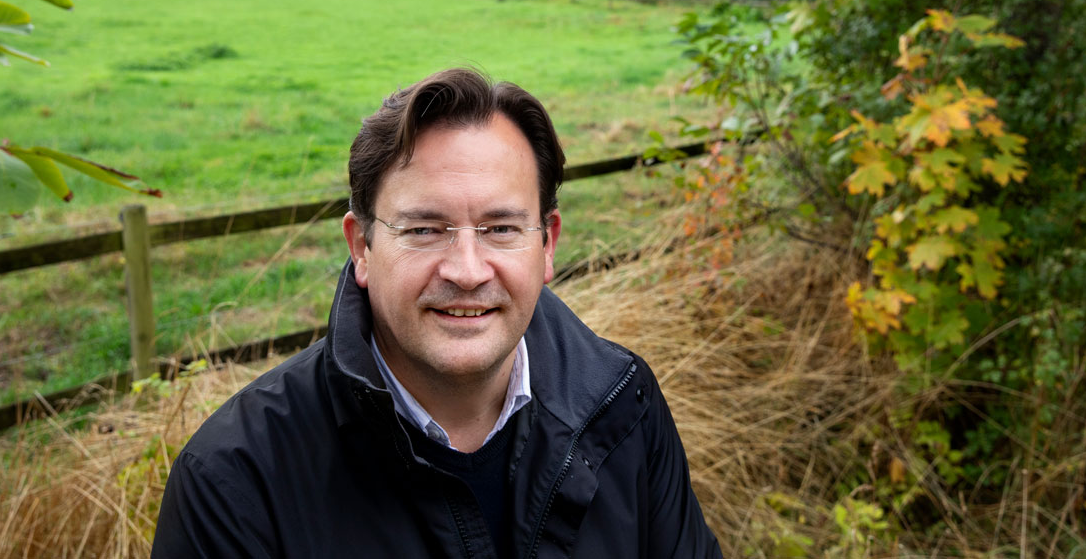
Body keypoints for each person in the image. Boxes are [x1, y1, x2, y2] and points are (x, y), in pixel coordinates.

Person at [152, 68, 721, 558]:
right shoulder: (235, 479)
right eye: (425, 229)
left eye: (501, 228)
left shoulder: (623, 408)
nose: (468, 271)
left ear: (546, 245)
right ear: (361, 247)